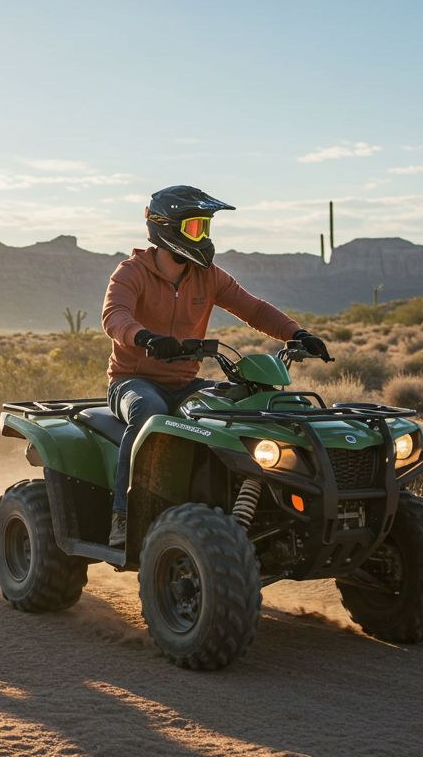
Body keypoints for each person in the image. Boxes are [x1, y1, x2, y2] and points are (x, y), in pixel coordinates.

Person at [101, 186, 329, 547]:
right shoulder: (131, 272)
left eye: (206, 228)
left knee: (241, 409)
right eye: (195, 228)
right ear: (167, 228)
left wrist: (297, 333)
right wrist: (144, 337)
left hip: (186, 382)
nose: (203, 237)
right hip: (133, 381)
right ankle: (124, 514)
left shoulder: (208, 276)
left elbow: (253, 308)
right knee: (149, 413)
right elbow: (115, 316)